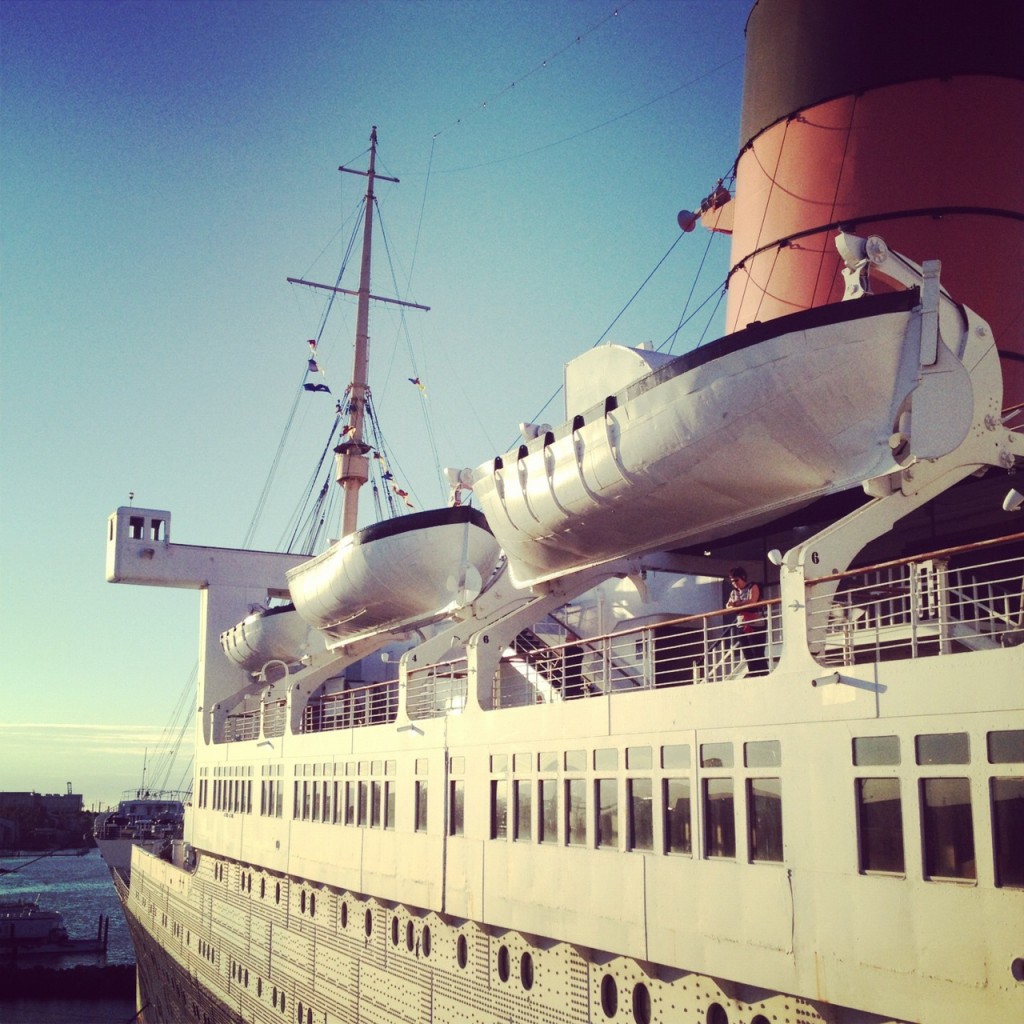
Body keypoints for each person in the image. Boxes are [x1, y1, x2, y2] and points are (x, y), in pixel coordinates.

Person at [726, 567, 769, 677]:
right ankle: (754, 677)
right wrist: (737, 605)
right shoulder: (734, 592)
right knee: (748, 655)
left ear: (743, 578)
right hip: (741, 625)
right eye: (732, 581)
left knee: (757, 653)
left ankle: (764, 676)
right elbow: (728, 606)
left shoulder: (752, 587)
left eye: (736, 580)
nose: (735, 584)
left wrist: (736, 604)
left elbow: (752, 601)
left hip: (756, 624)